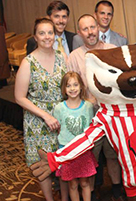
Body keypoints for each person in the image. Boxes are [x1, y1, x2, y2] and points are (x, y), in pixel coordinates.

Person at [67, 14, 123, 201]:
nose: (90, 32)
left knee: (113, 155)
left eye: (93, 27)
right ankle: (90, 193)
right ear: (79, 33)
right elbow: (71, 87)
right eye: (85, 29)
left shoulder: (112, 50)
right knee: (90, 158)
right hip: (89, 116)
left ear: (98, 27)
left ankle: (116, 188)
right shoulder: (74, 57)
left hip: (113, 114)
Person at [15, 18, 68, 201]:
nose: (47, 37)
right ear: (35, 37)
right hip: (38, 122)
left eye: (50, 32)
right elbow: (19, 97)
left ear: (55, 35)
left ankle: (64, 196)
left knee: (61, 160)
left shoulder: (62, 57)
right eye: (42, 33)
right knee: (42, 163)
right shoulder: (28, 63)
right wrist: (45, 115)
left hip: (61, 118)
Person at [54, 71, 97, 201]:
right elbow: (58, 130)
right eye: (68, 86)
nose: (72, 89)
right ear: (64, 89)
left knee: (85, 183)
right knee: (72, 184)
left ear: (81, 87)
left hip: (83, 151)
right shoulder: (59, 108)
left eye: (75, 85)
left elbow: (90, 128)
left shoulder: (88, 106)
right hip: (68, 152)